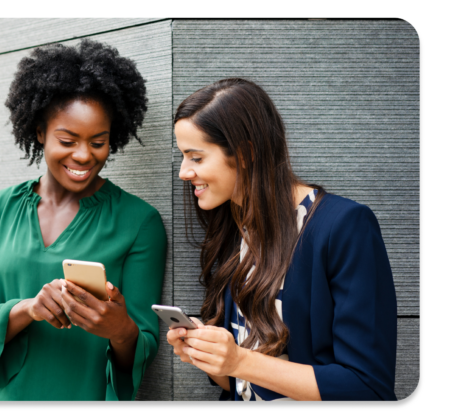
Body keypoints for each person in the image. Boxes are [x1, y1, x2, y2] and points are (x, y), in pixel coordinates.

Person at [0, 40, 167, 401]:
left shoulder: (139, 223)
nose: (83, 155)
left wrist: (121, 329)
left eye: (98, 142)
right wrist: (28, 309)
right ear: (40, 132)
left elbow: (143, 346)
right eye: (67, 140)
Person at [167, 78, 397, 401]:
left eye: (196, 157)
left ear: (245, 153)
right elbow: (240, 386)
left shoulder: (344, 226)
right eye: (183, 156)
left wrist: (239, 360)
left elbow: (367, 387)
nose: (183, 172)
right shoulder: (237, 228)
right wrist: (210, 356)